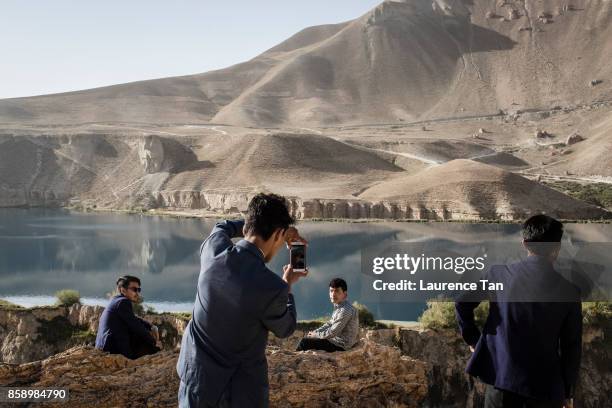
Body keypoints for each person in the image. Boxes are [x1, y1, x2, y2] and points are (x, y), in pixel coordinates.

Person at [177, 193, 308, 408]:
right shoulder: (272, 287)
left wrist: (251, 224)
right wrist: (288, 285)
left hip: (195, 382)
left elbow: (222, 226)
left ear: (249, 225)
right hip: (238, 395)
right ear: (278, 234)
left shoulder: (213, 250)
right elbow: (286, 328)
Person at [456, 214, 582, 408]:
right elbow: (571, 347)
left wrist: (474, 340)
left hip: (501, 383)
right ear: (557, 248)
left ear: (524, 243)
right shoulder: (570, 292)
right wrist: (567, 393)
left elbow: (462, 303)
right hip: (546, 392)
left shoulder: (498, 275)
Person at [95, 275, 161, 359]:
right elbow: (136, 326)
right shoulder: (123, 302)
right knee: (146, 340)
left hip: (104, 344)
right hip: (110, 348)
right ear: (123, 290)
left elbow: (133, 319)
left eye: (139, 290)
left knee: (142, 334)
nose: (137, 293)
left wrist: (150, 326)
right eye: (134, 289)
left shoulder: (116, 300)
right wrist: (154, 341)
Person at [296, 278, 359, 352]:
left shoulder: (345, 310)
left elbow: (333, 332)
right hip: (335, 341)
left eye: (337, 291)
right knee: (309, 338)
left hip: (341, 345)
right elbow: (329, 324)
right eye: (331, 291)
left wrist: (316, 335)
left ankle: (294, 359)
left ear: (345, 294)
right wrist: (315, 332)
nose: (333, 294)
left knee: (305, 342)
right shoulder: (339, 307)